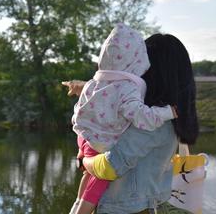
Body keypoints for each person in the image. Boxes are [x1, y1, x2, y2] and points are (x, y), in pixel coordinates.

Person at [63, 33, 198, 213]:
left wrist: (83, 160)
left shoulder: (151, 122)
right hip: (141, 204)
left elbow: (111, 167)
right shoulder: (162, 114)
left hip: (125, 208)